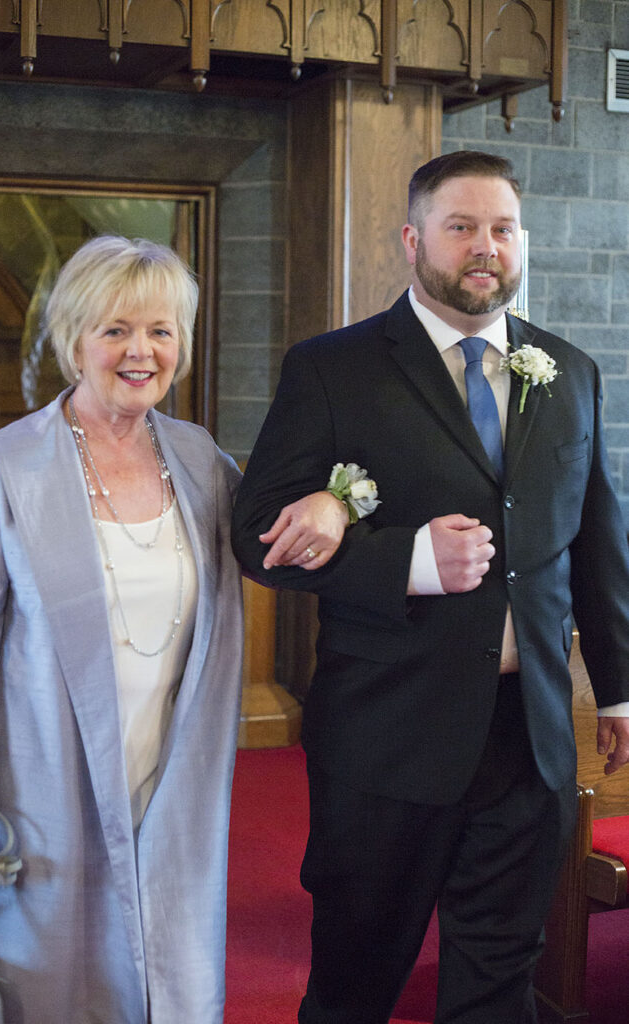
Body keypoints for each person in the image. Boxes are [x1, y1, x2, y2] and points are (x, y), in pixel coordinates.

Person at [231, 151, 629, 1024]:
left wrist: (621, 691)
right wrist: (406, 560)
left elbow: (597, 544)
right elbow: (255, 539)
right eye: (462, 228)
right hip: (387, 740)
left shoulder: (570, 372)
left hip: (528, 742)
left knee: (498, 985)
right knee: (355, 986)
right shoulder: (333, 368)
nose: (485, 248)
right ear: (413, 241)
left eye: (501, 229)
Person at [0, 235, 341, 1024]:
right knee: (51, 980)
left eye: (161, 330)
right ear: (75, 339)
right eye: (116, 329)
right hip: (41, 776)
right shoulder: (7, 466)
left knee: (165, 974)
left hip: (170, 769)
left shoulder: (203, 463)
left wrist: (334, 504)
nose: (141, 351)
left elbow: (280, 541)